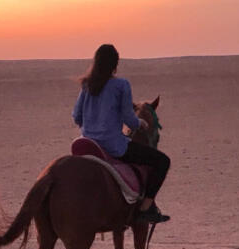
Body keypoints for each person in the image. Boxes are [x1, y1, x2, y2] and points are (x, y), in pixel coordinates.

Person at [72, 43, 171, 224]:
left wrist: (92, 125)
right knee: (163, 161)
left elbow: (76, 116)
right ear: (115, 65)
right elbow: (128, 118)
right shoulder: (121, 85)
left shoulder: (87, 85)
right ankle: (146, 207)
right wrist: (139, 123)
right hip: (113, 145)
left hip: (87, 143)